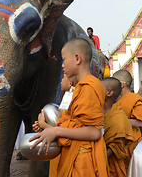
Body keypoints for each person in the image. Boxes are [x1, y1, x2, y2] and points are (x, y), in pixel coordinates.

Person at [30, 38, 109, 177]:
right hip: (74, 155)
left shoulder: (89, 87)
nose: (62, 65)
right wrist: (47, 127)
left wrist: (55, 130)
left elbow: (93, 132)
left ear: (77, 58)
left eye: (64, 59)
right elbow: (73, 124)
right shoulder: (80, 88)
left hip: (83, 161)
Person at [113, 70, 142, 156]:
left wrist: (120, 120)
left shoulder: (135, 98)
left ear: (121, 84)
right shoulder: (119, 99)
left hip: (130, 140)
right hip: (119, 138)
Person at [102, 77, 134, 177]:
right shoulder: (96, 110)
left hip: (109, 165)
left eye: (99, 87)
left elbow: (114, 148)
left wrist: (94, 160)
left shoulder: (118, 117)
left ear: (109, 93)